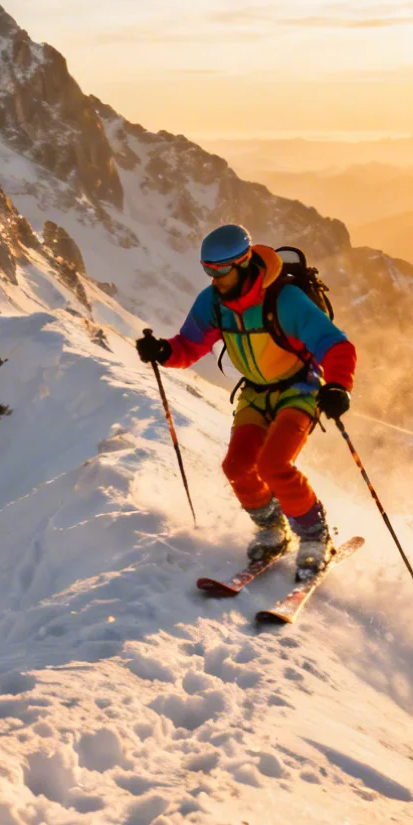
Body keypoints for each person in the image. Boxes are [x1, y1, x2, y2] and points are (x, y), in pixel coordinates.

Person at [135, 224, 356, 577]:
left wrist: (338, 386)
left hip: (299, 388)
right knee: (237, 467)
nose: (214, 277)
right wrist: (162, 350)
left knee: (274, 465)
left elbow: (336, 344)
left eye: (220, 269)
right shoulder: (213, 303)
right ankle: (273, 529)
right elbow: (189, 346)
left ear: (243, 263)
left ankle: (316, 537)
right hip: (255, 391)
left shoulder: (284, 300)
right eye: (208, 269)